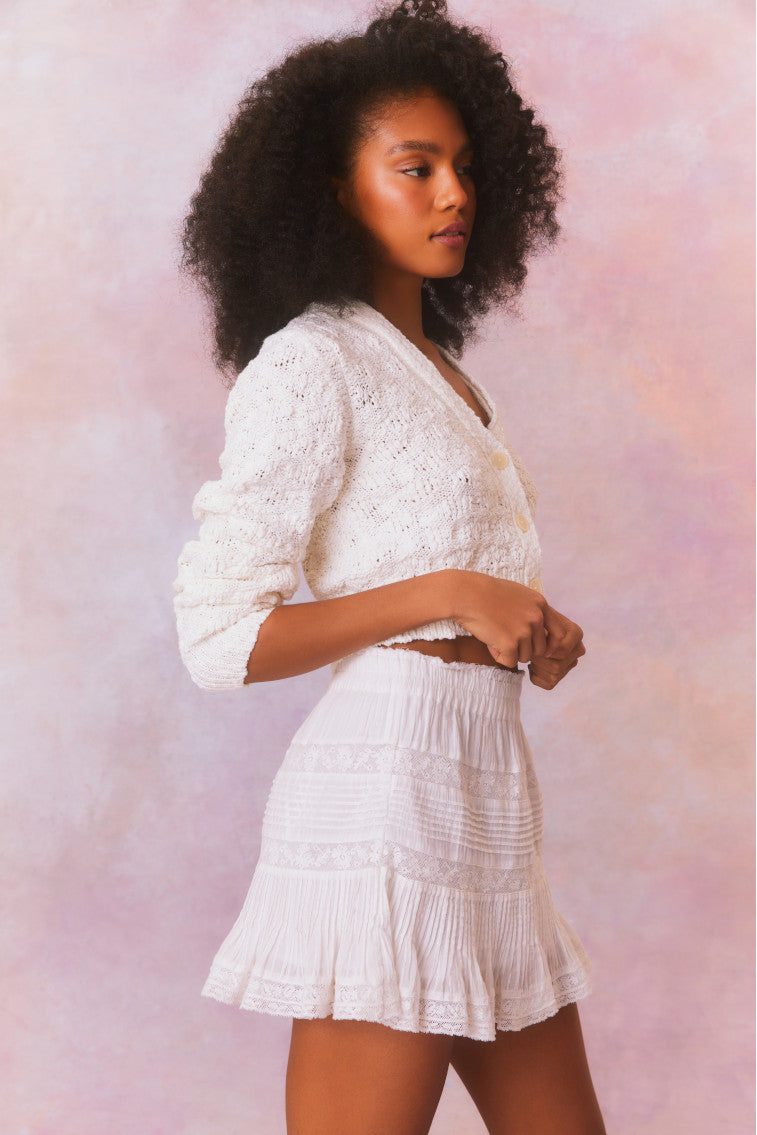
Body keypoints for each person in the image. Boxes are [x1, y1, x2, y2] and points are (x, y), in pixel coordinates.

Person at [173, 1, 606, 1131]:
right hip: (387, 806)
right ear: (334, 191)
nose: (454, 193)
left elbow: (439, 567)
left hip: (485, 801)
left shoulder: (443, 376)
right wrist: (451, 595)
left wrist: (521, 624)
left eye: (463, 167)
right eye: (416, 169)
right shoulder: (309, 363)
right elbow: (220, 638)